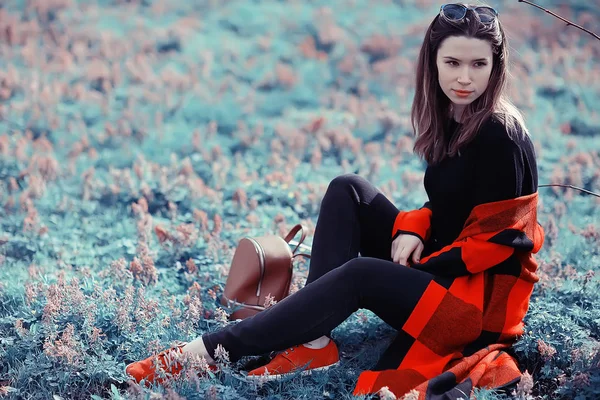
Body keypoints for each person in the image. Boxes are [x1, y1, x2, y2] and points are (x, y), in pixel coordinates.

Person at [125, 3, 545, 398]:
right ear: (432, 61)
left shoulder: (499, 135)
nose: (464, 78)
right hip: (447, 269)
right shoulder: (458, 114)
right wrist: (415, 229)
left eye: (478, 64)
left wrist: (414, 265)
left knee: (362, 274)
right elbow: (457, 207)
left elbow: (503, 244)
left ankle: (198, 355)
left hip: (471, 311)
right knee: (349, 189)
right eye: (452, 63)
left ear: (496, 65)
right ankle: (313, 342)